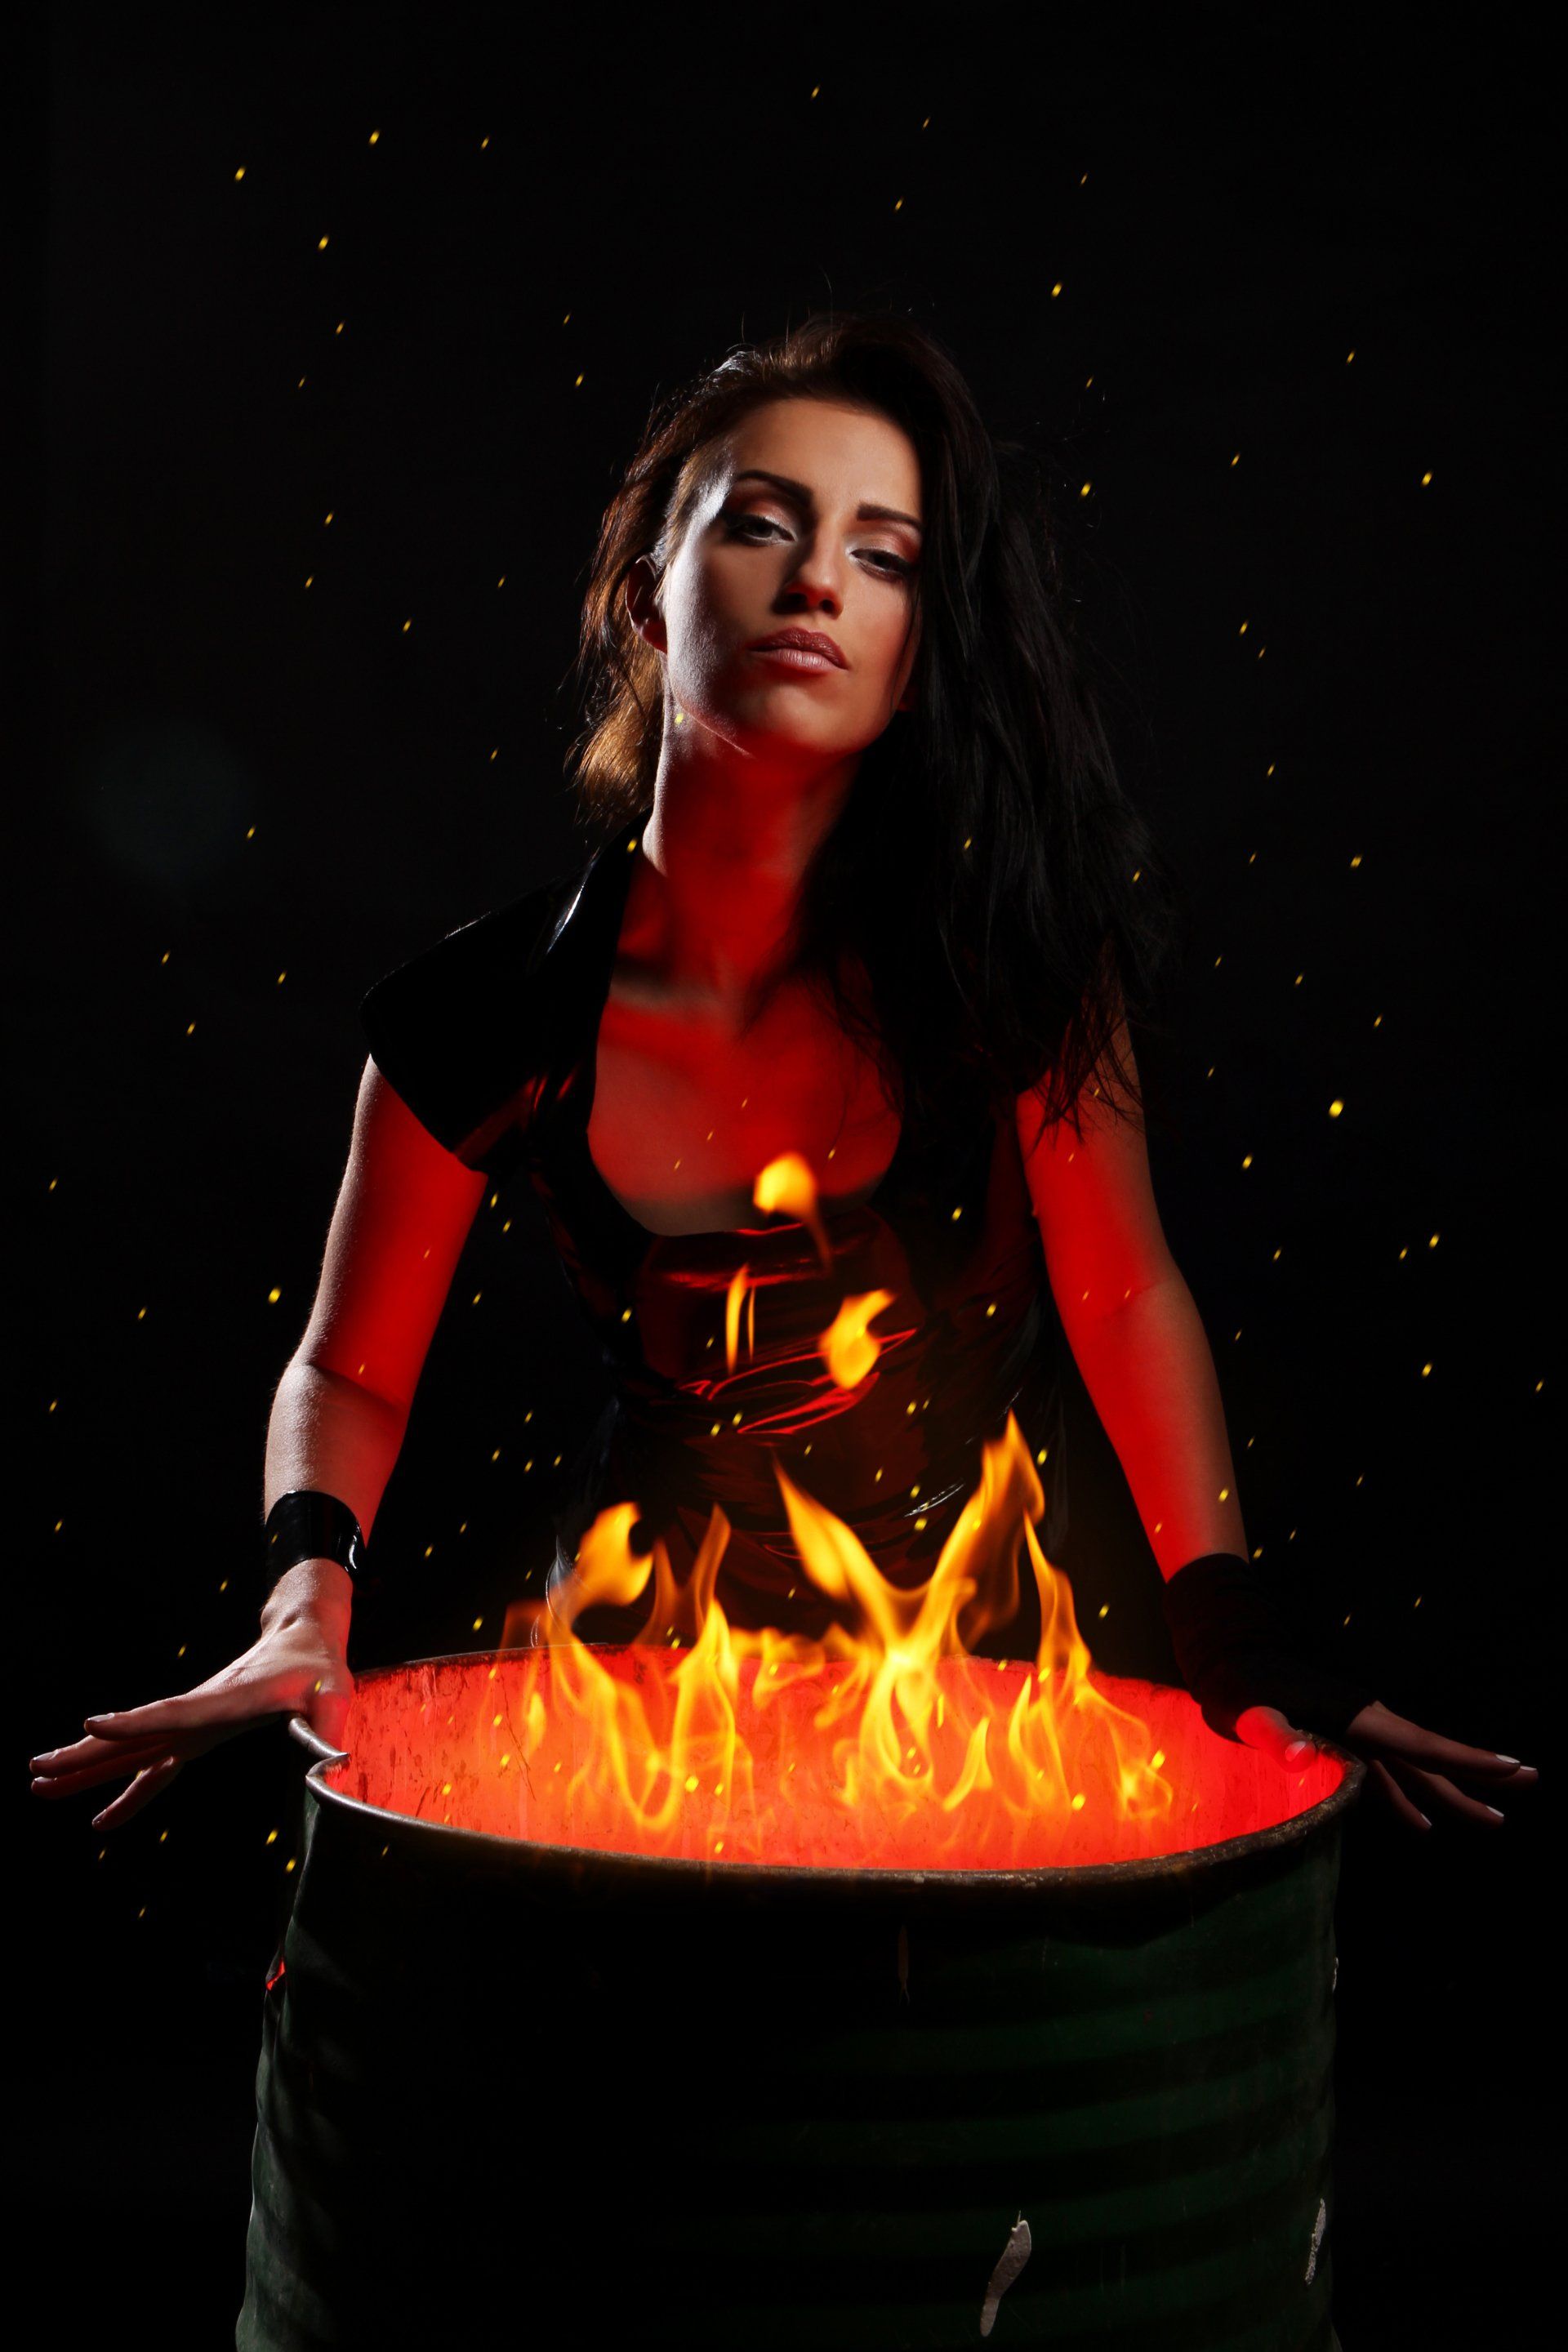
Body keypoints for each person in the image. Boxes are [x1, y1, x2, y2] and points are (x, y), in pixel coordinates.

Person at [28, 312, 1535, 1842]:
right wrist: (304, 1606)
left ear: (917, 655)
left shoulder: (1013, 969)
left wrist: (1230, 1628)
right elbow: (348, 1372)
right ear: (646, 601)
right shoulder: (483, 1012)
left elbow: (1125, 1294)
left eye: (885, 556)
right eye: (762, 524)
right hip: (634, 1690)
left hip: (979, 1694)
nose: (819, 580)